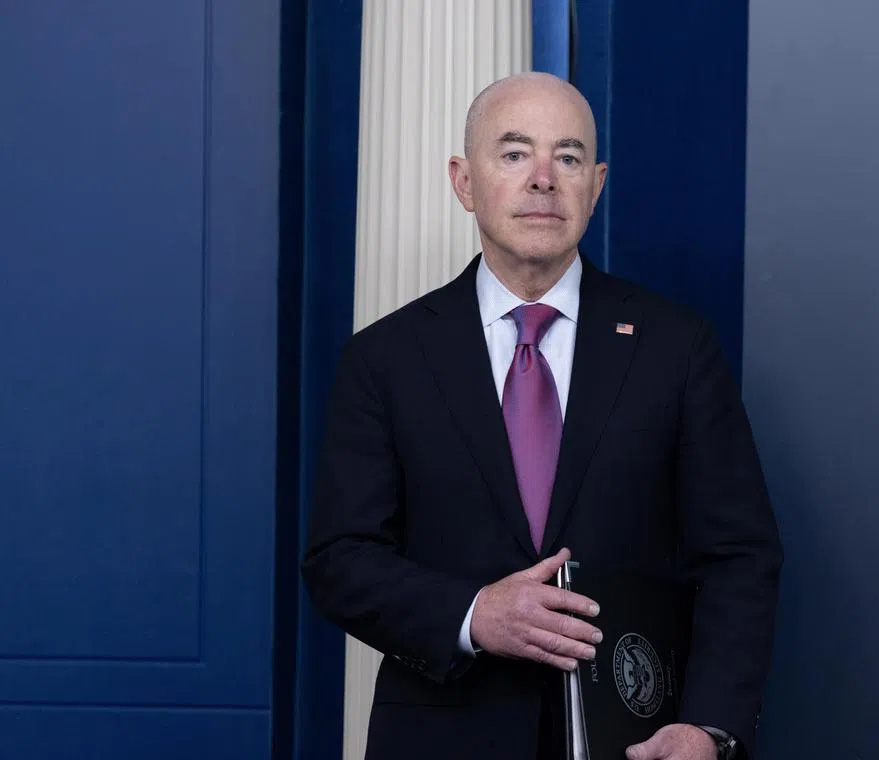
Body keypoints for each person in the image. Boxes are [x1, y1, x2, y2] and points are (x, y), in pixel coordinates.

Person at [301, 72, 782, 760]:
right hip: (442, 738)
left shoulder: (677, 348)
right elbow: (340, 560)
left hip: (634, 742)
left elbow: (739, 556)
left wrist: (709, 726)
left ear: (597, 183)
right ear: (464, 182)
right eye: (515, 152)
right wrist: (475, 615)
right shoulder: (385, 358)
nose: (544, 179)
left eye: (569, 156)